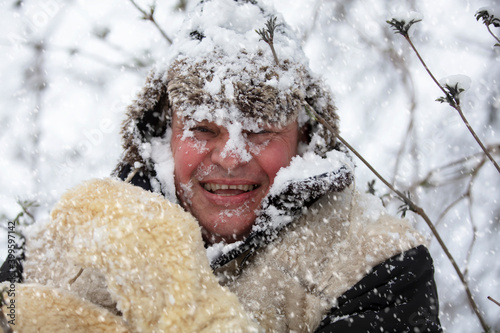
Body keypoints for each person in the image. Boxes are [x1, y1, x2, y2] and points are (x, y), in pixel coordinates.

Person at [0, 0, 442, 332]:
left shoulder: (378, 262)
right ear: (163, 132)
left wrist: (169, 278)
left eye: (260, 131)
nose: (231, 156)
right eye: (203, 130)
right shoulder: (79, 234)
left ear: (305, 135)